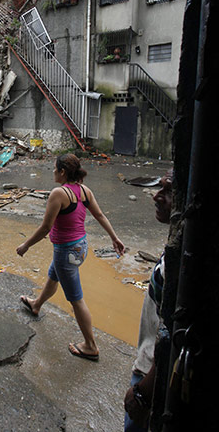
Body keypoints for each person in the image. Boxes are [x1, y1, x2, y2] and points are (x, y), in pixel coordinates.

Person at [16, 153, 124, 361]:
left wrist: (25, 245)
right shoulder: (84, 191)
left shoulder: (59, 193)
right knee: (53, 275)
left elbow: (46, 227)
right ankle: (37, 304)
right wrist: (114, 238)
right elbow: (99, 215)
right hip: (80, 247)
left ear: (63, 171)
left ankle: (91, 346)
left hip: (66, 251)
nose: (53, 172)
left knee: (76, 299)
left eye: (55, 169)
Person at [124, 169, 173, 431]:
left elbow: (171, 334)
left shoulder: (177, 267)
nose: (157, 196)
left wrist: (143, 393)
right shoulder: (175, 249)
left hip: (150, 378)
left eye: (168, 191)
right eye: (160, 187)